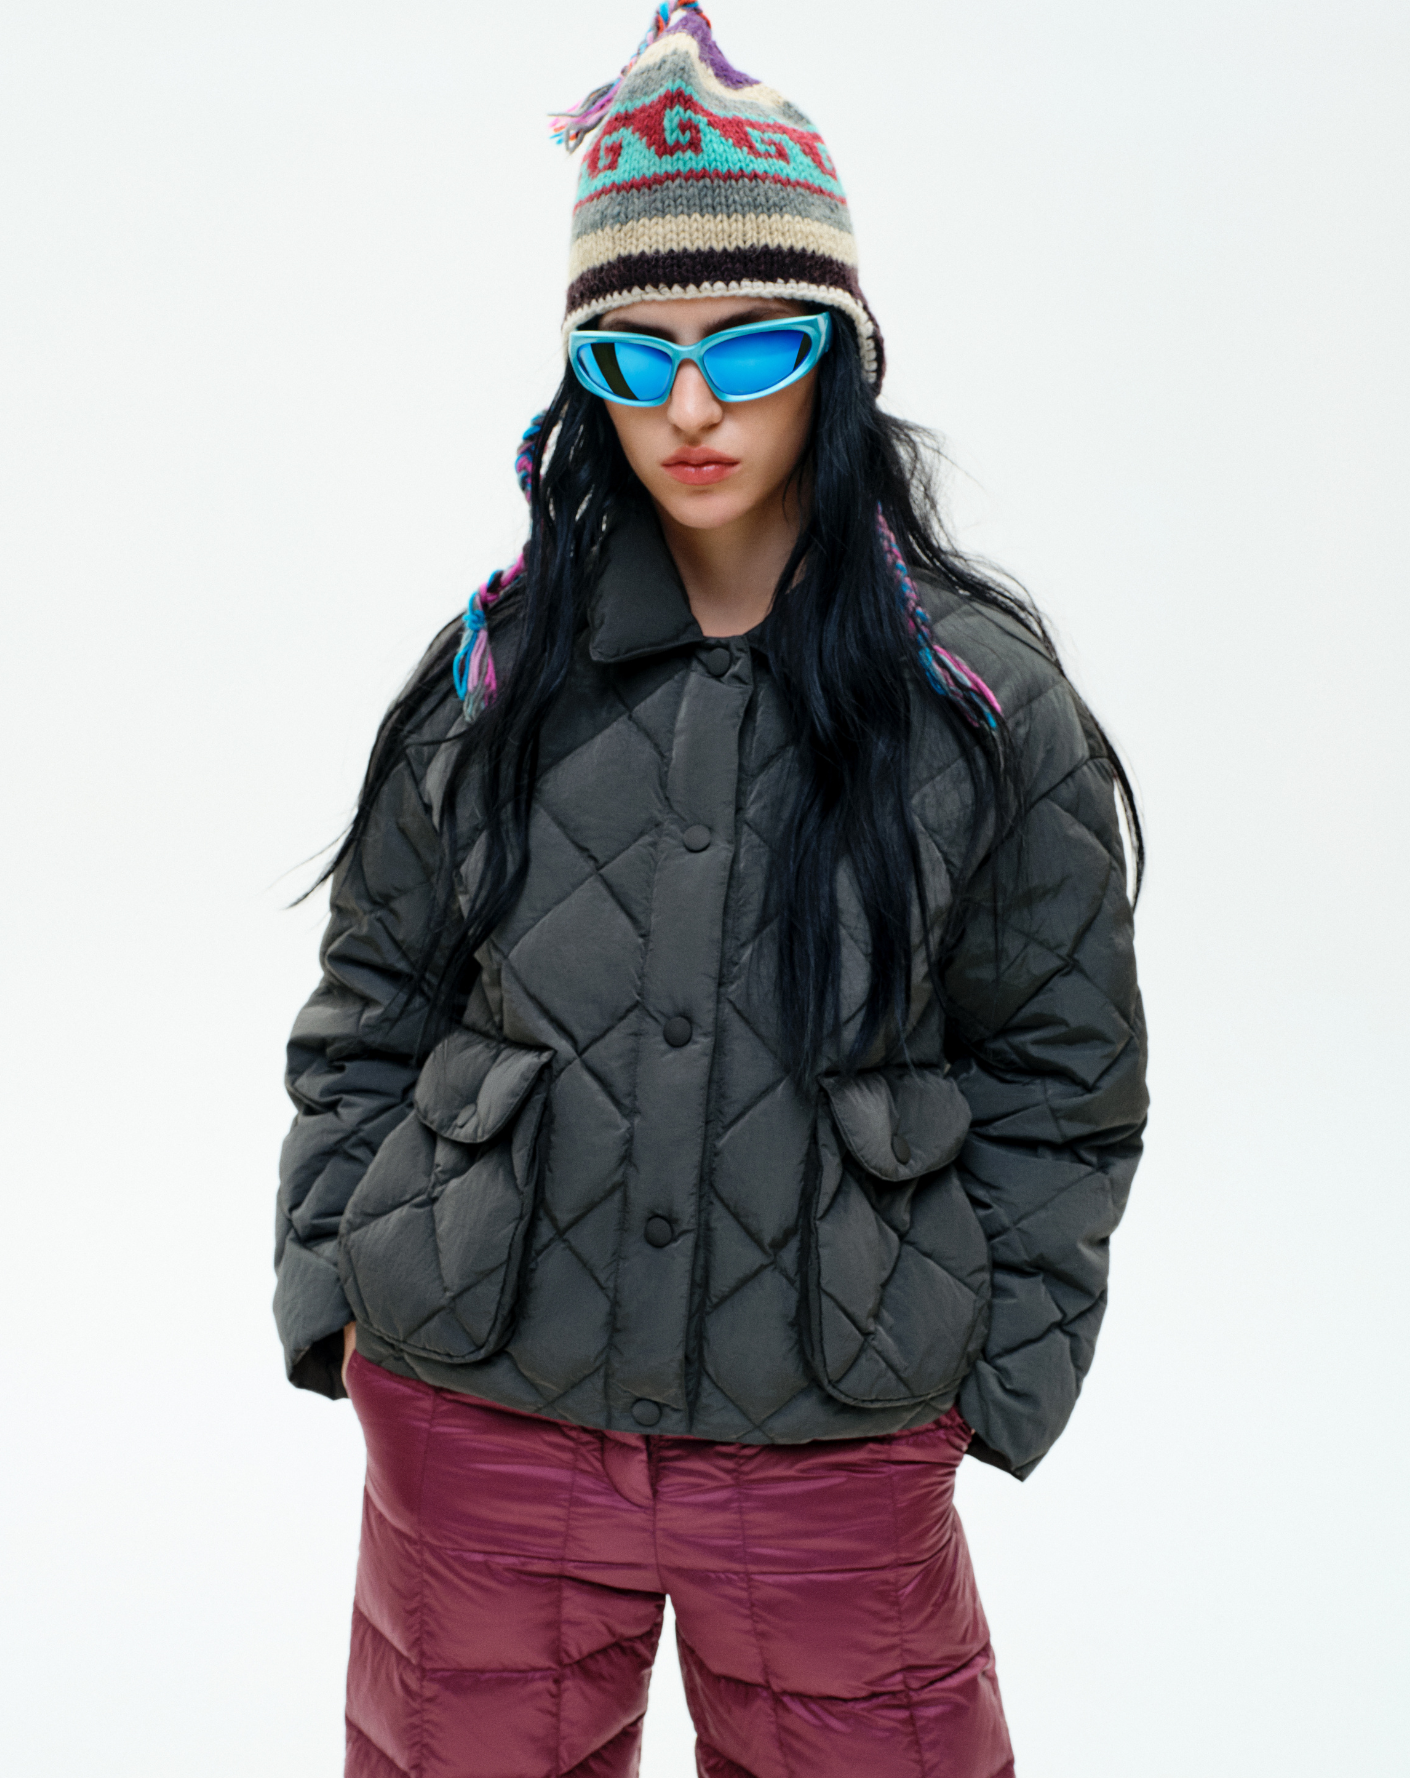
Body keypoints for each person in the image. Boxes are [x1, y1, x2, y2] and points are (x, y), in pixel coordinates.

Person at [273, 5, 1148, 1775]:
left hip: (834, 1437)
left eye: (747, 348)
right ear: (578, 379)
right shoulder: (493, 676)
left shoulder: (979, 707)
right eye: (633, 354)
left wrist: (984, 1368)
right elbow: (368, 1006)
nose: (689, 407)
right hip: (479, 1416)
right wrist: (343, 1291)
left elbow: (1064, 1075)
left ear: (838, 356)